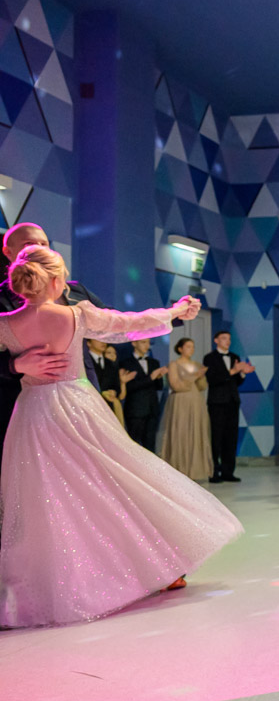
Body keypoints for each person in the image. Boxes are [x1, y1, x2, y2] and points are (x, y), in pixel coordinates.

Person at [0, 246, 242, 627]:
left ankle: (49, 590)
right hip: (76, 409)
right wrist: (174, 312)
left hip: (31, 415)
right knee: (116, 483)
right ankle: (143, 565)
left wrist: (16, 363)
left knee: (44, 503)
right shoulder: (76, 315)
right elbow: (128, 324)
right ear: (56, 281)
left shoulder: (6, 323)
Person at [0, 223, 105, 468]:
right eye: (29, 244)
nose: (39, 248)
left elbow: (113, 320)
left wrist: (173, 314)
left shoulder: (76, 291)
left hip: (79, 397)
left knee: (87, 467)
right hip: (21, 404)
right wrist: (15, 365)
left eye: (44, 243)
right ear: (8, 252)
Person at [160, 338, 213, 481]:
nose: (191, 349)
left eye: (193, 346)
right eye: (188, 346)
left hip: (196, 402)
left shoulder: (196, 365)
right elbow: (176, 385)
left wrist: (201, 377)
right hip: (180, 402)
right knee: (181, 432)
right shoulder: (174, 364)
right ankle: (179, 468)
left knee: (195, 432)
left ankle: (195, 470)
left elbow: (202, 387)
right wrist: (194, 376)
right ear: (180, 349)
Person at [203, 331, 253, 484]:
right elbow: (213, 379)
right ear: (216, 340)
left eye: (229, 339)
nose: (227, 341)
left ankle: (228, 471)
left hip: (232, 401)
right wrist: (233, 371)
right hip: (217, 402)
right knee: (216, 437)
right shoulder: (209, 358)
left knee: (231, 438)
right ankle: (214, 472)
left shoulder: (234, 357)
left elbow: (236, 382)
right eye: (224, 338)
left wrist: (242, 373)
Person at [122, 338, 166, 451]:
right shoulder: (126, 362)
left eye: (148, 343)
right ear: (134, 343)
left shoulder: (154, 362)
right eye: (143, 342)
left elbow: (159, 387)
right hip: (135, 410)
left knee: (150, 445)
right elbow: (129, 387)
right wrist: (150, 378)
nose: (147, 345)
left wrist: (159, 377)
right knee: (134, 445)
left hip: (152, 409)